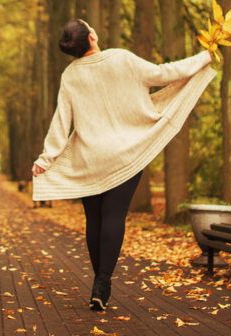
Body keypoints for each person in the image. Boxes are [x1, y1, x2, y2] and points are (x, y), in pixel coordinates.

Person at [31, 19, 216, 311]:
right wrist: (204, 56)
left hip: (89, 158)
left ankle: (98, 281)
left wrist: (46, 158)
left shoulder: (70, 75)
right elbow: (164, 73)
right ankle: (102, 281)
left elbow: (61, 120)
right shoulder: (121, 58)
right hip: (126, 155)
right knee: (114, 216)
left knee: (94, 219)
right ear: (91, 36)